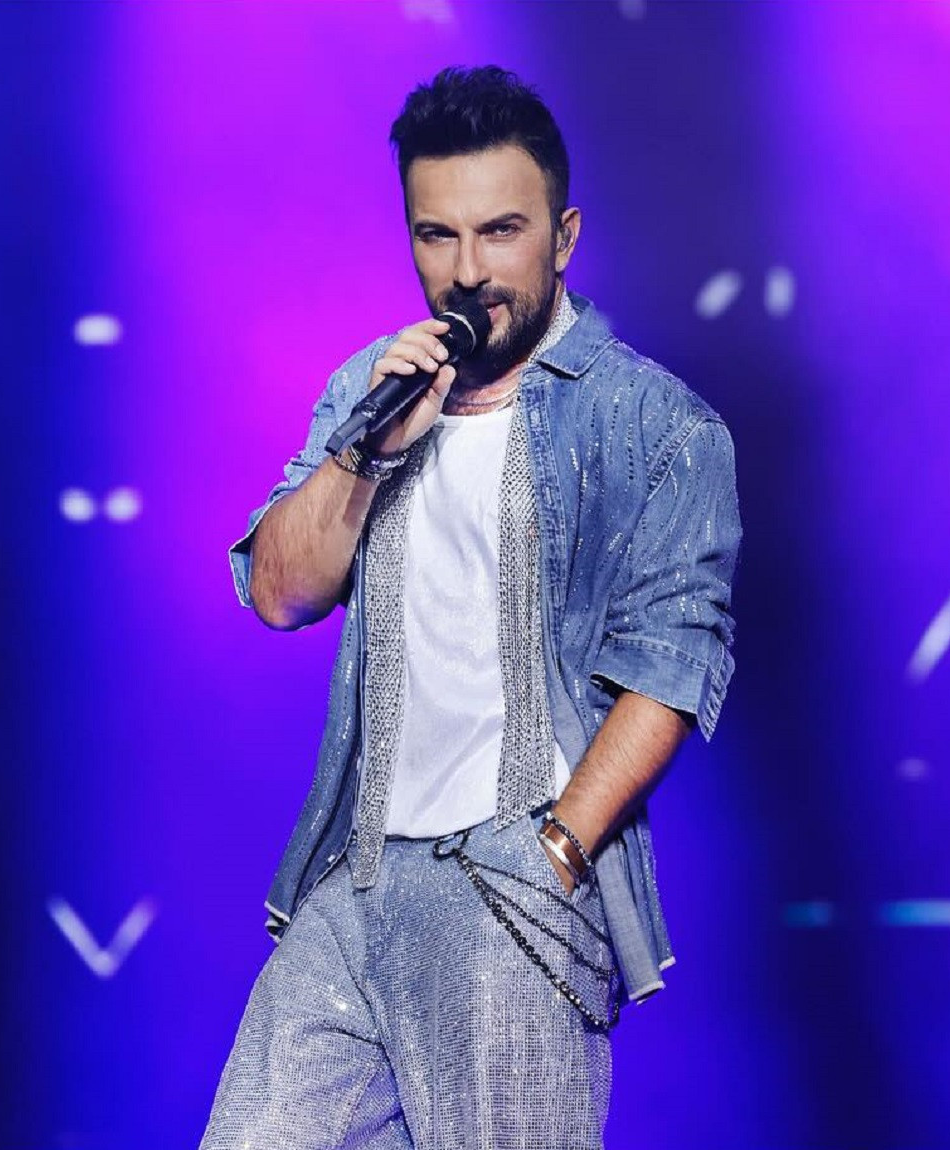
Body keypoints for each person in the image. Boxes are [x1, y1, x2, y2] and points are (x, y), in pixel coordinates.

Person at [204, 65, 741, 1150]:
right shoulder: (373, 388)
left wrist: (557, 851)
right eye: (437, 235)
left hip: (513, 883)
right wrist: (367, 449)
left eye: (500, 232)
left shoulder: (658, 425)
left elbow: (671, 668)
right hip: (354, 877)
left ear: (564, 237)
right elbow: (279, 592)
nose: (468, 272)